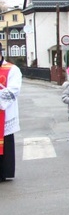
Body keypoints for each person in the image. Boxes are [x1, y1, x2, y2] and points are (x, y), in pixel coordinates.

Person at [0, 45, 22, 181]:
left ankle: (3, 173)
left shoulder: (12, 69)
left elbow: (13, 91)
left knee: (5, 142)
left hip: (5, 112)